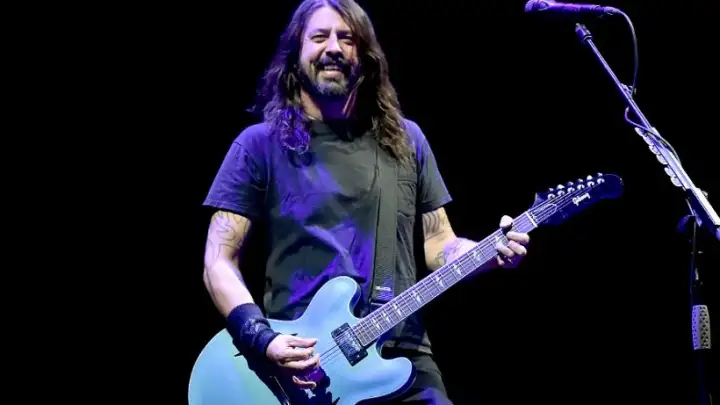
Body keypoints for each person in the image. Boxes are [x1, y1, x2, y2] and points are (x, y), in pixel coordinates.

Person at [201, 0, 530, 403]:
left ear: (366, 55)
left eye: (347, 38)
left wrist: (483, 253)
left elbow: (439, 243)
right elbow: (218, 260)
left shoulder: (406, 142)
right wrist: (261, 337)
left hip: (403, 354)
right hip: (301, 367)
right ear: (295, 54)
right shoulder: (258, 145)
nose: (334, 48)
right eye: (319, 37)